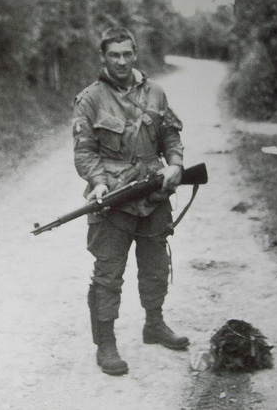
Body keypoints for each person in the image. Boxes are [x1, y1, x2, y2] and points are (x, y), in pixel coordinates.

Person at [72, 26, 189, 376]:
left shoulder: (156, 92)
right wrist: (97, 182)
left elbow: (170, 134)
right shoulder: (89, 99)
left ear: (135, 53)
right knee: (108, 275)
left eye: (127, 54)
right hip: (114, 200)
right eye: (114, 55)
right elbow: (84, 153)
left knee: (155, 266)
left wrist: (177, 165)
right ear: (103, 57)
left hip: (154, 194)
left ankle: (154, 324)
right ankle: (105, 343)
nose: (121, 61)